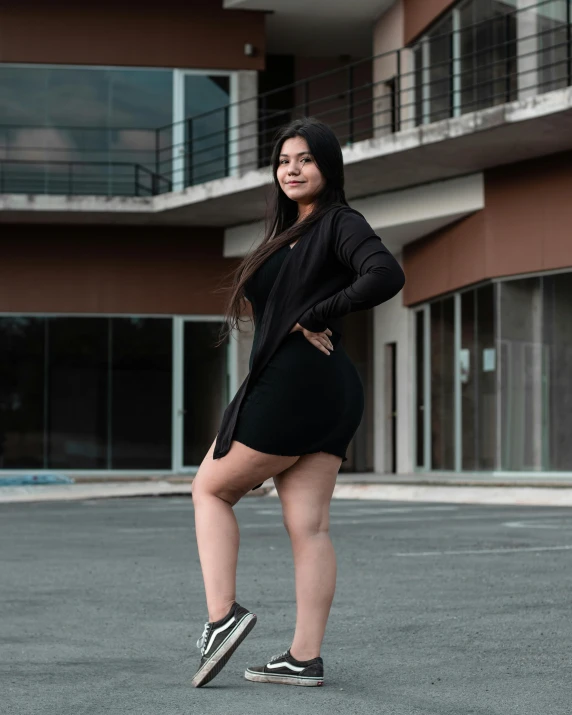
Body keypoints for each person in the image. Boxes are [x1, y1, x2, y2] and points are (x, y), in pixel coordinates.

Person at [190, 117, 405, 688]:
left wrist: (316, 313)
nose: (292, 168)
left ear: (328, 168)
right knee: (308, 526)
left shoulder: (339, 222)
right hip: (331, 392)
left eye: (305, 159)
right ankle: (303, 657)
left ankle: (221, 618)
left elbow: (386, 273)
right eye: (284, 160)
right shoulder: (296, 231)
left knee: (210, 488)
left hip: (296, 385)